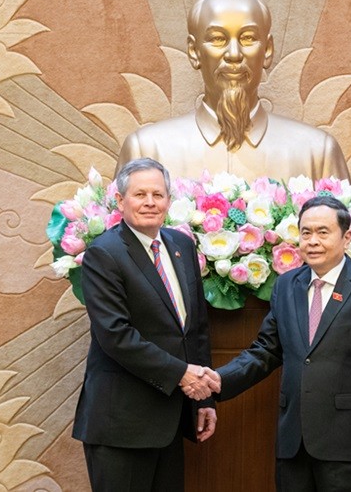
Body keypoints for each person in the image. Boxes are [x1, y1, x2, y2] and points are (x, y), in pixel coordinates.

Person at [209, 195, 351, 491]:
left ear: (347, 237)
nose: (313, 241)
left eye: (323, 232)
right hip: (293, 442)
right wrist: (217, 380)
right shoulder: (287, 285)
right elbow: (266, 350)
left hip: (349, 445)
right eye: (306, 232)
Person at [72, 157, 221, 491]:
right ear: (121, 201)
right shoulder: (104, 254)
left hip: (169, 419)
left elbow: (195, 329)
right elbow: (115, 335)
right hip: (121, 424)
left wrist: (203, 400)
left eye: (158, 194)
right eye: (140, 195)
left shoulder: (181, 244)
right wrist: (183, 375)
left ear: (169, 201)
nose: (150, 202)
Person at [115, 0, 350, 182]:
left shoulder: (317, 154)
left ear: (267, 50)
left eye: (248, 38)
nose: (234, 54)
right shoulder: (146, 150)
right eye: (218, 39)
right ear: (194, 51)